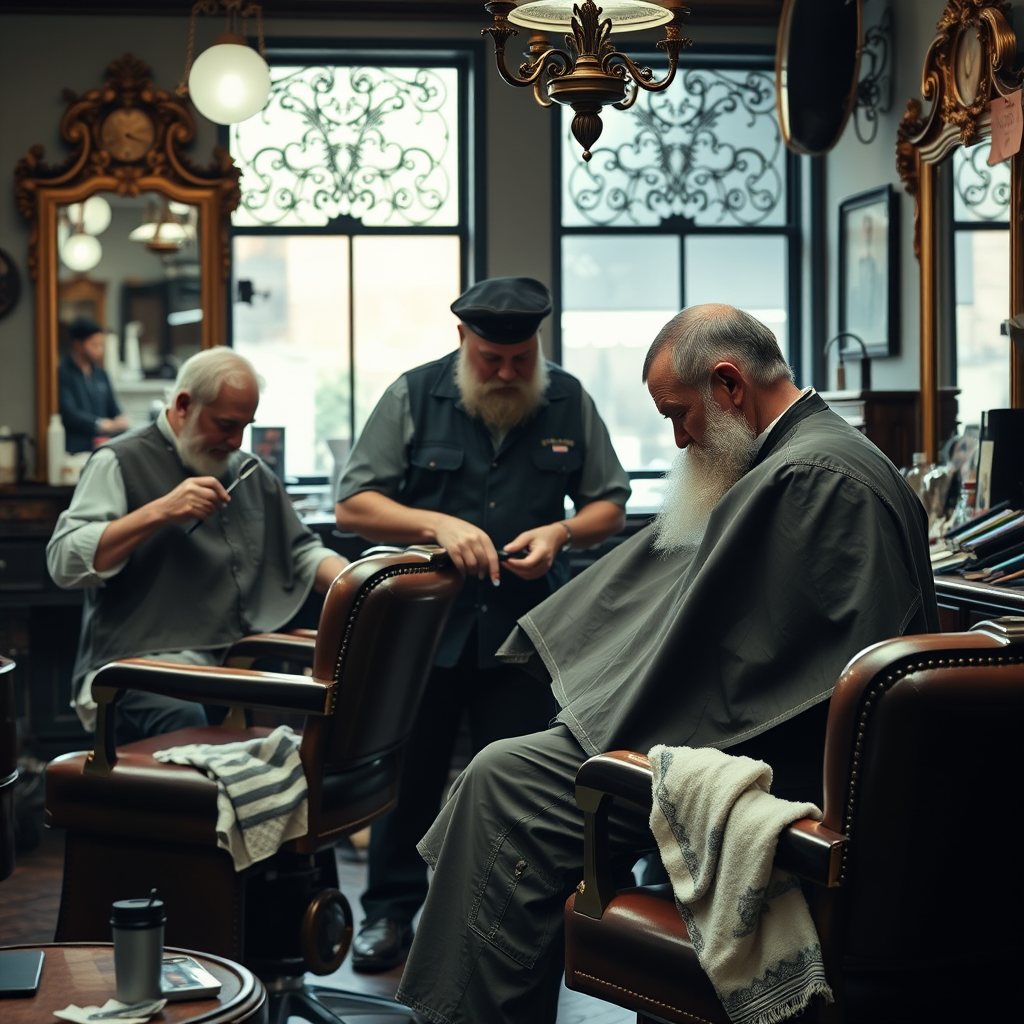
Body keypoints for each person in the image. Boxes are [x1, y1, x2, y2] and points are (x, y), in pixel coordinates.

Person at [394, 303, 939, 1024]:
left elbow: (766, 676)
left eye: (680, 415)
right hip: (776, 754)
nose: (680, 438)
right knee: (518, 761)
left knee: (504, 782)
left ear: (729, 385)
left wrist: (619, 711)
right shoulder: (811, 456)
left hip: (785, 780)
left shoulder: (816, 476)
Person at [334, 276, 630, 971]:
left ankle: (504, 923)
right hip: (422, 631)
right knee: (408, 776)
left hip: (526, 632)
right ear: (462, 340)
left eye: (519, 359)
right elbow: (354, 504)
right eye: (491, 358)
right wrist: (436, 522)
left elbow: (610, 505)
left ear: (537, 346)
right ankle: (389, 914)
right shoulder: (413, 394)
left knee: (520, 786)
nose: (505, 373)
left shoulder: (568, 397)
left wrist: (561, 532)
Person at [48, 347, 348, 744]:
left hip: (232, 661)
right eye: (225, 424)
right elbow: (64, 562)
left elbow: (301, 550)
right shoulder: (118, 461)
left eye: (245, 425)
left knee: (322, 716)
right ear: (185, 404)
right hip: (141, 666)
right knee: (185, 717)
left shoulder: (246, 470)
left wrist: (350, 581)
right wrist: (158, 511)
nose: (236, 440)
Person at [58, 316, 129, 453]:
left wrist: (120, 418)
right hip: (77, 446)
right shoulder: (63, 374)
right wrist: (100, 424)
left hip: (104, 443)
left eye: (101, 345)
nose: (100, 350)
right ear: (78, 345)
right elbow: (69, 412)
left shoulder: (101, 375)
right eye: (94, 345)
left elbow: (113, 407)